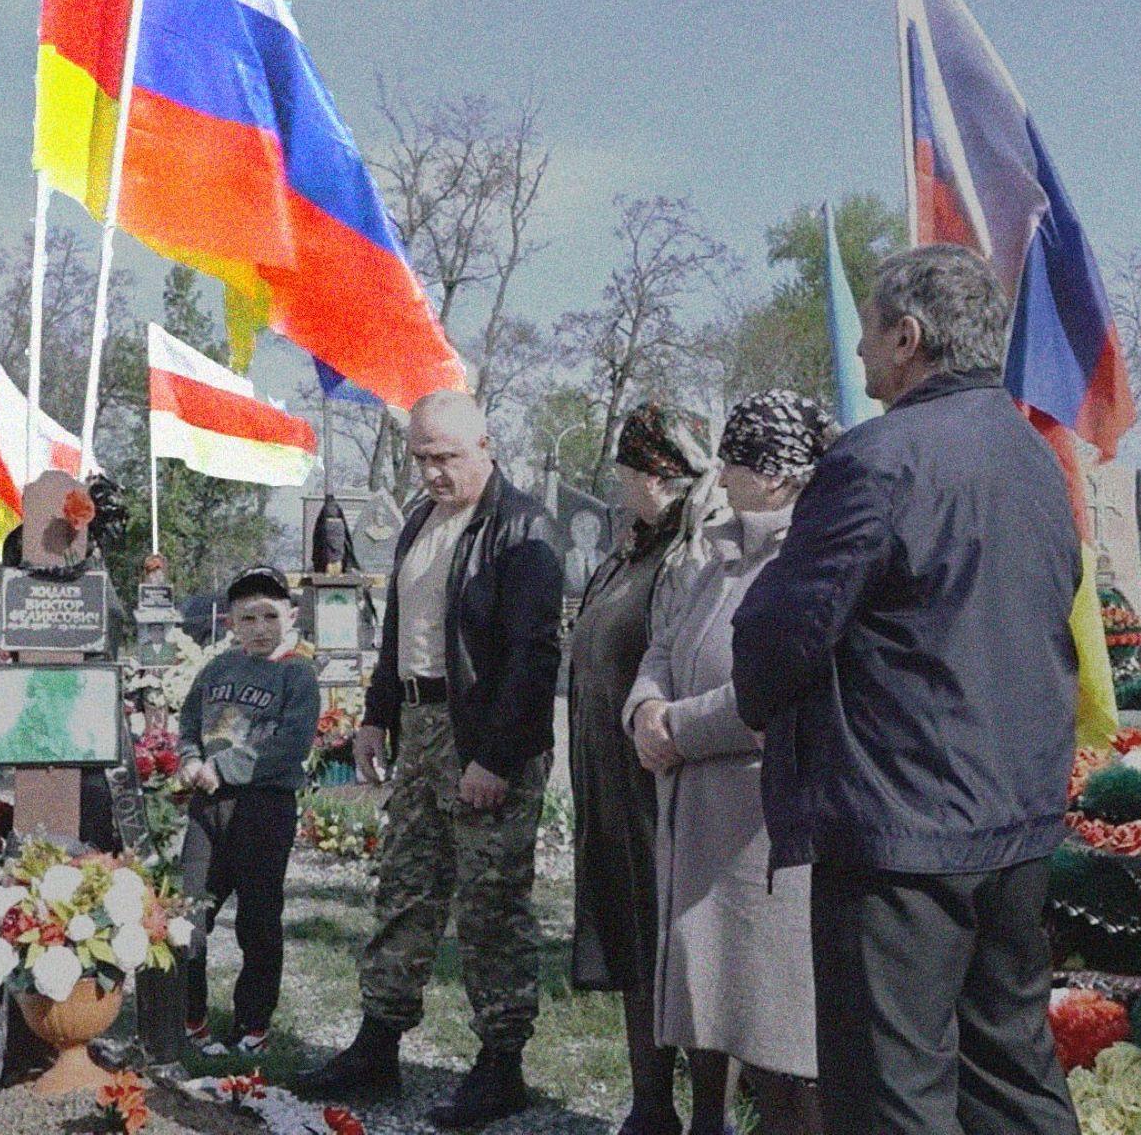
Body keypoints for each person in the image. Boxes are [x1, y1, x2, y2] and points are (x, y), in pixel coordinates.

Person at [731, 244, 1082, 1135]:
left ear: (909, 337)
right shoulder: (1034, 456)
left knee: (893, 1094)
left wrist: (759, 692)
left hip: (901, 832)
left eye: (868, 336)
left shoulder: (878, 459)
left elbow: (780, 632)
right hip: (1013, 821)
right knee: (1011, 1072)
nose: (857, 358)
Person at [297, 390, 562, 1129]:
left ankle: (502, 1061)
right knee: (405, 888)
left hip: (484, 735)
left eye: (446, 457)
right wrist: (377, 717)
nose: (434, 472)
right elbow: (400, 634)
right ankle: (378, 1044)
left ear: (485, 445)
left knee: (490, 904)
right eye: (421, 457)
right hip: (417, 725)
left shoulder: (521, 527)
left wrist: (497, 761)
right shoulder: (421, 521)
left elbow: (534, 656)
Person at [624, 392, 832, 1135]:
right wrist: (644, 708)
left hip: (759, 833)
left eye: (738, 458)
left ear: (776, 474)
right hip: (695, 823)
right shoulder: (713, 551)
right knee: (704, 1013)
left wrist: (677, 727)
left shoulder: (812, 553)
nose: (722, 470)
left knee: (774, 1027)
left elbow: (780, 688)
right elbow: (663, 645)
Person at [568, 402, 727, 1135]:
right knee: (635, 939)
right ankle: (650, 1104)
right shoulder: (631, 548)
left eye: (628, 473)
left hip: (666, 783)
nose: (620, 486)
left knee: (685, 950)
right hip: (612, 780)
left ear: (656, 476)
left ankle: (709, 1116)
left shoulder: (695, 551)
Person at [176, 564, 320, 1057]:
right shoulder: (217, 669)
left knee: (257, 920)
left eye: (268, 616)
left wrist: (227, 768)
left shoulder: (297, 674)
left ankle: (253, 1022)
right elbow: (190, 721)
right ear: (231, 622)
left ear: (291, 614)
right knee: (188, 912)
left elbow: (288, 745)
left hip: (264, 806)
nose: (259, 628)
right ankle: (189, 1016)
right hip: (207, 806)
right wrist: (192, 759)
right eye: (247, 618)